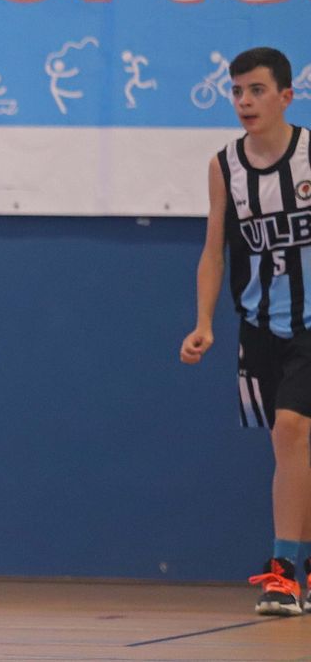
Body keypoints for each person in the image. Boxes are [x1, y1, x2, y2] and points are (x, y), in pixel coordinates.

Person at [180, 47, 311, 617]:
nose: (244, 102)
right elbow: (214, 250)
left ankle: (283, 570)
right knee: (293, 448)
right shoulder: (224, 167)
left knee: (291, 431)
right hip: (259, 327)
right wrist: (204, 322)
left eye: (256, 90)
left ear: (286, 96)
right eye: (236, 91)